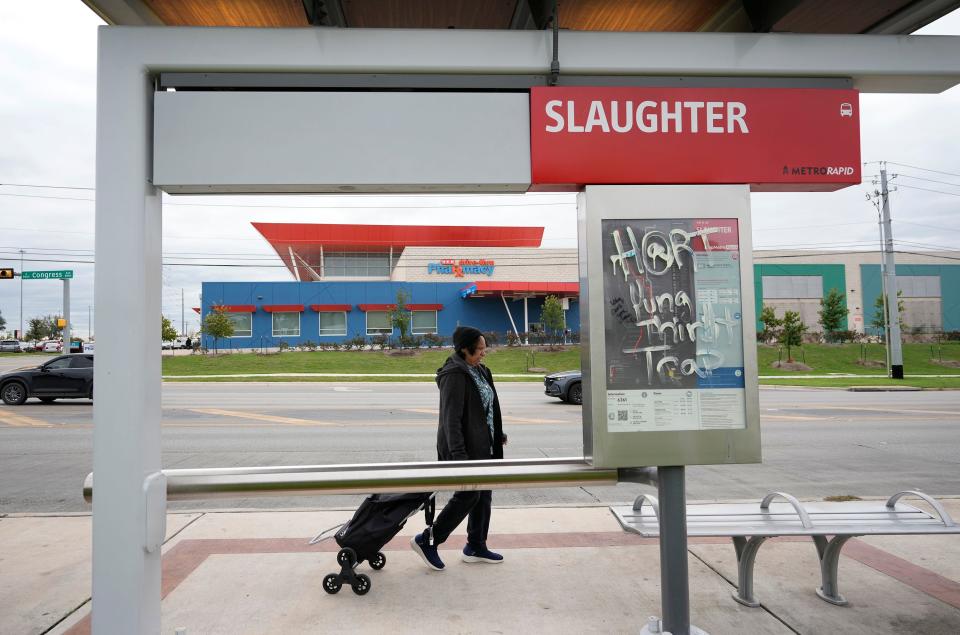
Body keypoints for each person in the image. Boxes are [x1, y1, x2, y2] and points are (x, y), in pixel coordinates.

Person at [410, 326, 507, 570]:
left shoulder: (480, 370)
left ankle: (476, 545)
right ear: (465, 349)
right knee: (469, 495)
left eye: (486, 348)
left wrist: (496, 435)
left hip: (484, 446)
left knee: (484, 495)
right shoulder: (454, 374)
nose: (485, 353)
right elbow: (450, 420)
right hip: (464, 449)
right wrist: (459, 457)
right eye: (480, 349)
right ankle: (427, 540)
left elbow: (485, 409)